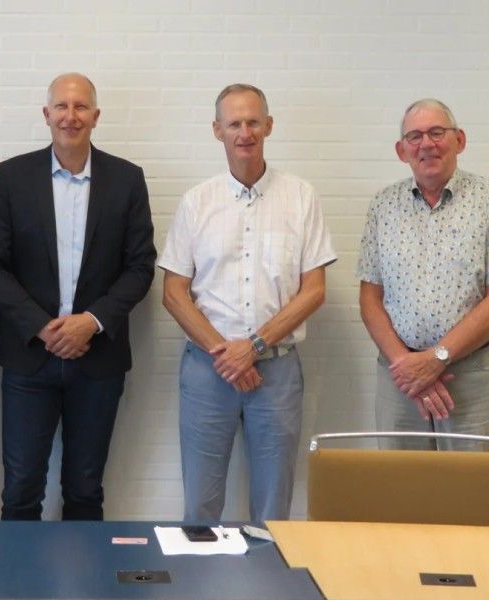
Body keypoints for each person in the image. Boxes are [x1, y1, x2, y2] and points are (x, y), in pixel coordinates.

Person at [0, 73, 156, 521]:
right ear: (46, 114)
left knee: (84, 490)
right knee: (20, 490)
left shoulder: (127, 180)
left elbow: (140, 267)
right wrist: (42, 326)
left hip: (98, 361)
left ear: (95, 116)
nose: (70, 116)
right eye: (62, 106)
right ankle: (20, 589)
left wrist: (90, 322)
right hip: (29, 359)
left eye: (80, 108)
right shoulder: (12, 177)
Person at [159, 84, 336, 523]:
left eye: (253, 121)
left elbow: (313, 289)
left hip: (276, 372)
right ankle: (200, 589)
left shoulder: (300, 197)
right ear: (217, 130)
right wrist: (226, 353)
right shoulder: (196, 202)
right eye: (234, 123)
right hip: (207, 372)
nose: (244, 132)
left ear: (269, 126)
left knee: (274, 508)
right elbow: (173, 291)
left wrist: (252, 346)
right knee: (200, 504)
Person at [358, 98, 489, 450]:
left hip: (471, 377)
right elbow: (370, 297)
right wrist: (408, 367)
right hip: (398, 379)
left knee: (469, 495)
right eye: (414, 136)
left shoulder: (486, 201)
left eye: (436, 132)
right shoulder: (383, 206)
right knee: (402, 492)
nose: (426, 144)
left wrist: (436, 360)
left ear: (459, 140)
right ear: (402, 151)